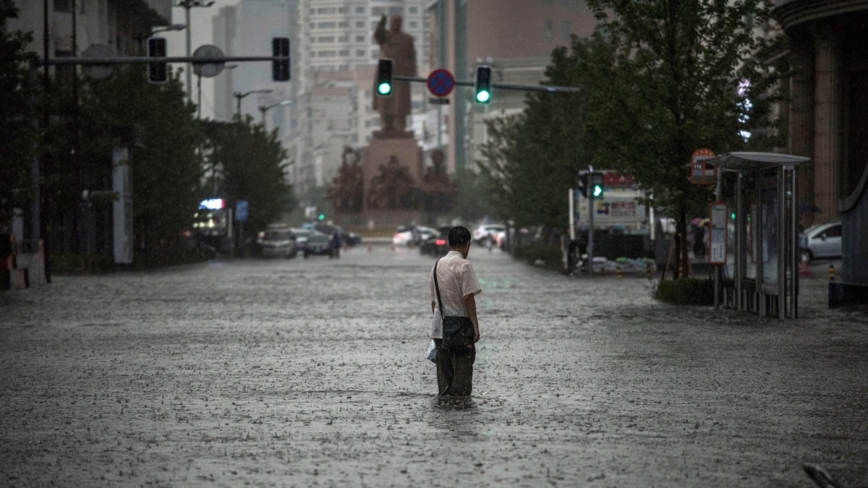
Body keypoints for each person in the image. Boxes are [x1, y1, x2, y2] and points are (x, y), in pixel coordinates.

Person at [429, 226, 482, 397]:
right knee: (462, 381)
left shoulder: (436, 265)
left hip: (439, 329)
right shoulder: (464, 265)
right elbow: (468, 298)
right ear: (467, 244)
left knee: (445, 383)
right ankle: (461, 416)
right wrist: (475, 326)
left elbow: (433, 302)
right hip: (459, 329)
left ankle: (445, 417)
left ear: (449, 243)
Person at [372, 14, 416, 135]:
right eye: (394, 21)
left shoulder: (407, 38)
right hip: (386, 69)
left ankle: (399, 125)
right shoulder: (385, 35)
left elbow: (412, 57)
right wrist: (382, 22)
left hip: (401, 71)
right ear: (390, 22)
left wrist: (412, 73)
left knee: (400, 101)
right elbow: (377, 35)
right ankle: (386, 124)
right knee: (384, 100)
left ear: (401, 23)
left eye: (398, 21)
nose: (396, 23)